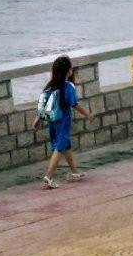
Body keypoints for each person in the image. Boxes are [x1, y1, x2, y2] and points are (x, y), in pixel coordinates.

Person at [33, 55, 94, 189]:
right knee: (59, 148)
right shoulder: (68, 87)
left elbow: (43, 104)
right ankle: (48, 177)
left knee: (65, 145)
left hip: (52, 121)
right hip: (63, 121)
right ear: (68, 71)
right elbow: (75, 104)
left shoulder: (50, 86)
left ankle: (74, 172)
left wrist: (38, 119)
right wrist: (87, 115)